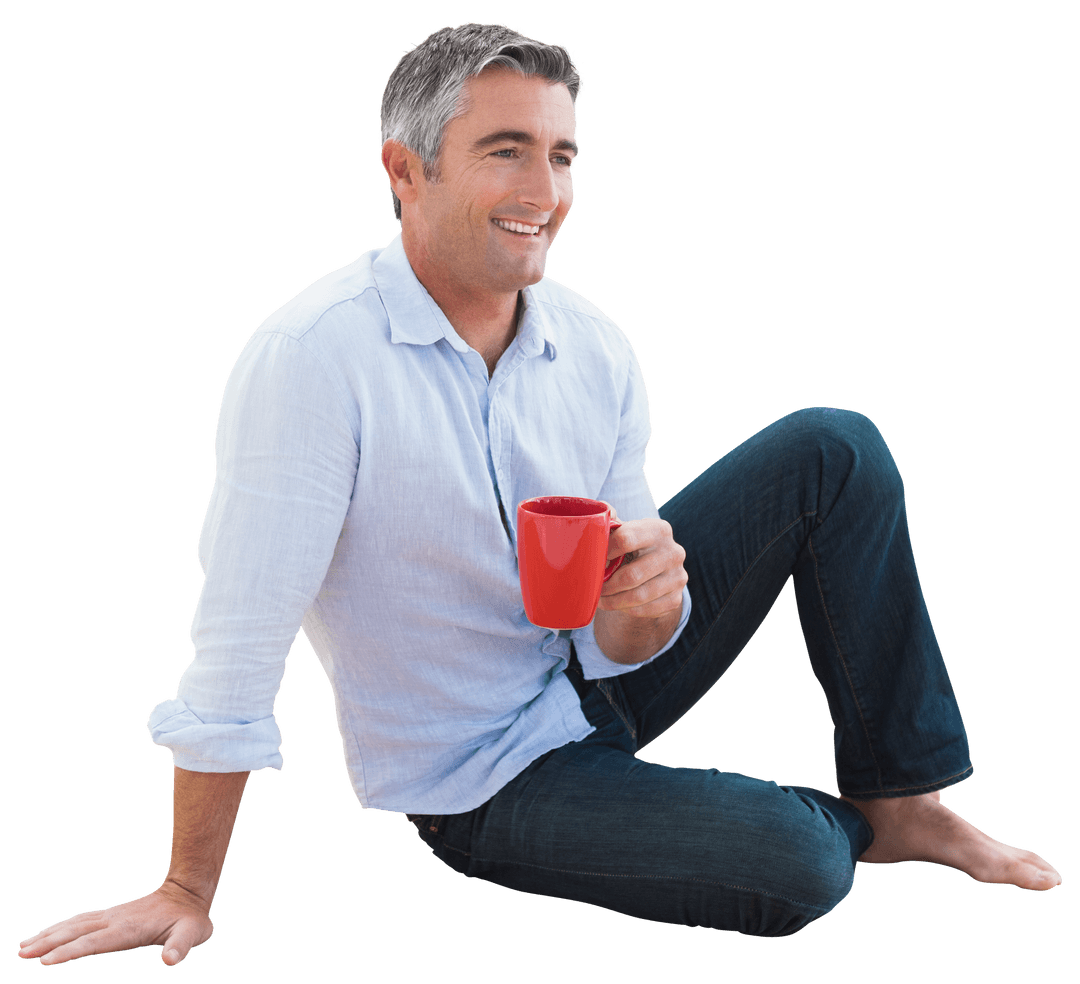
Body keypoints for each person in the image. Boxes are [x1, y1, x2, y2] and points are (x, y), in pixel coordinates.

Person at [18, 22, 1060, 967]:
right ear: (404, 170)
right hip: (483, 781)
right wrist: (186, 883)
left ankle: (902, 796)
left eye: (561, 155)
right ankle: (849, 832)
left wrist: (647, 614)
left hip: (587, 678)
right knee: (798, 866)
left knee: (836, 449)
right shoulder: (310, 362)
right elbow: (240, 638)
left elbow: (624, 617)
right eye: (505, 149)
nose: (544, 188)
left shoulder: (591, 344)